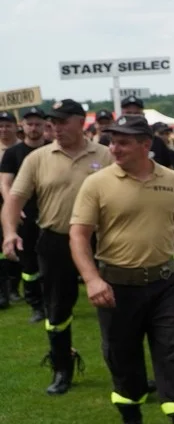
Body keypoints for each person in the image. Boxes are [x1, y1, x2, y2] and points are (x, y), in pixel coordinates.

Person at [67, 114, 174, 424]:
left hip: (164, 285)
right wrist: (93, 279)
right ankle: (131, 421)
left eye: (123, 142)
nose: (114, 148)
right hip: (116, 286)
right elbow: (78, 235)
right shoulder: (97, 183)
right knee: (122, 356)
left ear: (146, 145)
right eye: (112, 141)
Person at [3, 99, 112, 394]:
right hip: (55, 240)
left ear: (81, 122)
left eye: (64, 121)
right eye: (54, 121)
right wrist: (10, 231)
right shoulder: (38, 158)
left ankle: (125, 370)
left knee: (116, 307)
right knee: (57, 310)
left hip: (102, 241)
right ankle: (62, 367)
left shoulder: (105, 155)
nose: (56, 127)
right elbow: (15, 198)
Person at [0, 107, 48, 323]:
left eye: (38, 124)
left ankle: (54, 301)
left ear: (45, 126)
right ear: (24, 126)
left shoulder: (53, 150)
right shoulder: (13, 154)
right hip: (24, 214)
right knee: (29, 263)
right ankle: (36, 305)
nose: (34, 128)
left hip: (51, 212)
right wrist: (13, 206)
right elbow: (5, 183)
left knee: (54, 261)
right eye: (30, 124)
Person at [119, 96, 174, 172]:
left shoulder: (157, 142)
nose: (133, 117)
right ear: (121, 115)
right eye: (128, 113)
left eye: (136, 113)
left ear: (143, 115)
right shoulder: (112, 141)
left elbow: (168, 169)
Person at [0, 110, 19, 310]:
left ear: (16, 126)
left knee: (20, 247)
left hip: (21, 204)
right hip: (2, 204)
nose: (4, 129)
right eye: (1, 126)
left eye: (8, 125)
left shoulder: (22, 150)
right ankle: (4, 290)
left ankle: (15, 288)